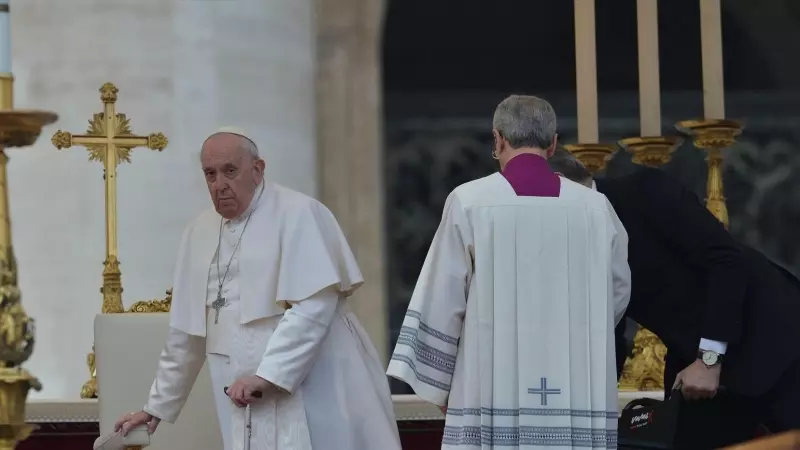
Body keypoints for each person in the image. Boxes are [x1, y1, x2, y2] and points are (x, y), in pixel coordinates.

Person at [113, 128, 402, 450]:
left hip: (316, 376)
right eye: (210, 174)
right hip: (238, 382)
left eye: (230, 171)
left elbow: (313, 307)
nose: (219, 184)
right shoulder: (198, 232)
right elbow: (187, 334)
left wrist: (269, 375)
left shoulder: (300, 213)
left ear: (258, 169)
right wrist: (157, 407)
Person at [387, 96, 632, 449]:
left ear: (498, 139)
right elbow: (618, 289)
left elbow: (444, 295)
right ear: (553, 144)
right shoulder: (595, 207)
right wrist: (582, 336)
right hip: (577, 387)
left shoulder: (470, 202)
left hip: (489, 384)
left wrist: (440, 382)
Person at [547, 148, 800, 449]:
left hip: (774, 340)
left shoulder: (645, 190)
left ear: (557, 183)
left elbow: (727, 262)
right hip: (693, 362)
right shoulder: (573, 247)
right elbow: (607, 332)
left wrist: (708, 360)